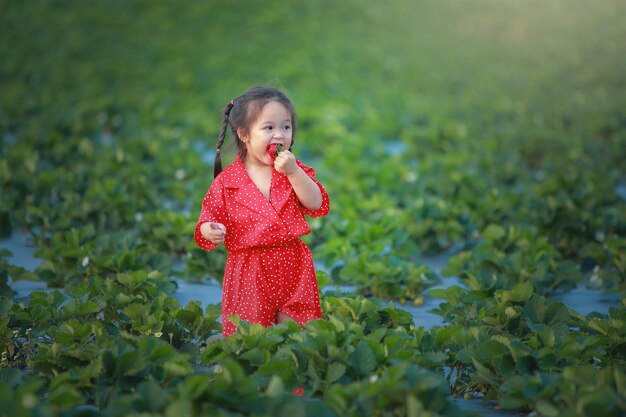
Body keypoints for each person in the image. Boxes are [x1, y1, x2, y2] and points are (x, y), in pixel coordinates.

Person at [194, 86, 330, 337]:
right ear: (244, 134)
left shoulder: (292, 169)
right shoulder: (228, 181)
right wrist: (209, 229)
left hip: (292, 263)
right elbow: (209, 215)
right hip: (249, 269)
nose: (279, 135)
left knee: (296, 334)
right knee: (251, 336)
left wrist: (294, 172)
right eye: (269, 128)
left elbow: (316, 202)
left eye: (286, 127)